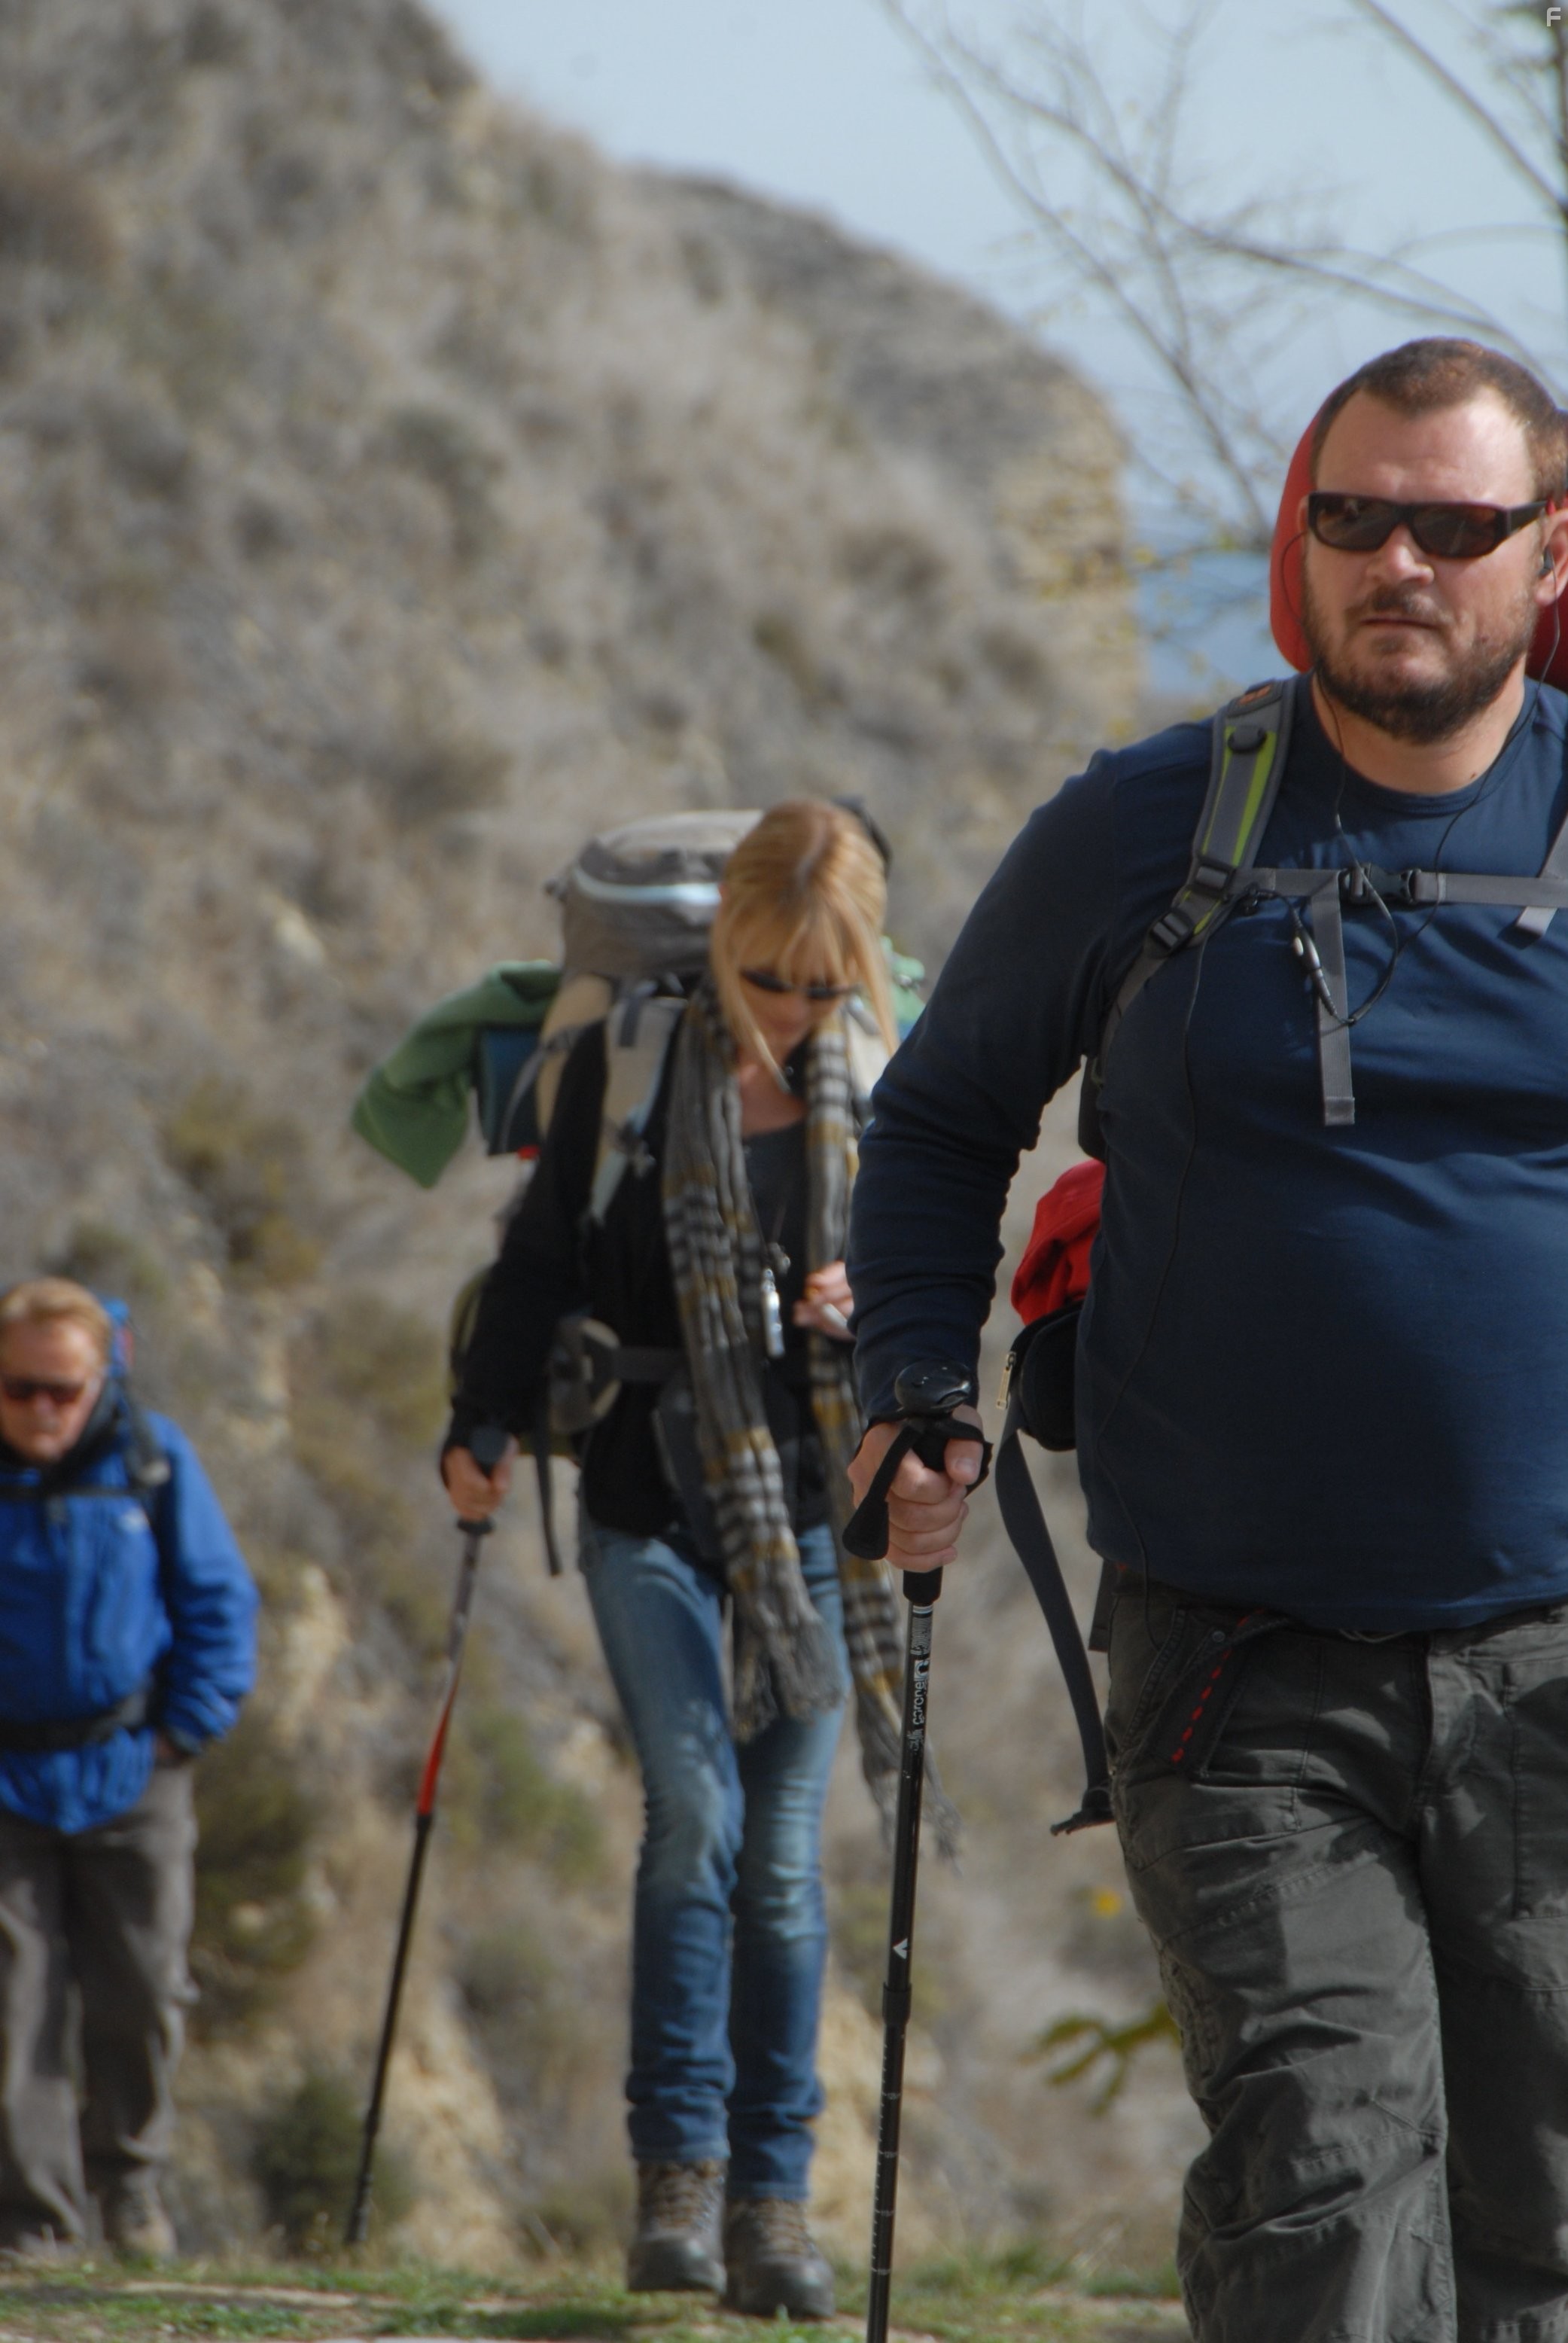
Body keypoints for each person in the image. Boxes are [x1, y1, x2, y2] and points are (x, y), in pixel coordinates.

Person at [845, 338, 1568, 2343]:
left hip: (1551, 1665)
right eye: (1354, 518)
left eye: (1453, 523)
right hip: (1235, 1672)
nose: (1398, 563)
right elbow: (934, 1122)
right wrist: (908, 1388)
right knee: (1322, 2193)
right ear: (1299, 538)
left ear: (1547, 550)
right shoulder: (1154, 828)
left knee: (1540, 2236)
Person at [443, 799, 906, 2322]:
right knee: (693, 1813)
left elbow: (935, 1310)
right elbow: (539, 1258)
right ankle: (678, 2188)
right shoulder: (630, 1068)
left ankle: (776, 2206)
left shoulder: (890, 1103)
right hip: (649, 1486)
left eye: (824, 985)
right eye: (769, 977)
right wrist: (483, 1415)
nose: (792, 1012)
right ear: (723, 948)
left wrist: (876, 1308)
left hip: (817, 1518)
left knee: (779, 1860)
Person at [0, 1278, 256, 2262]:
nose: (42, 1412)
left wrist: (184, 1732)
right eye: (20, 1389)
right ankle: (31, 2224)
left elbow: (220, 1605)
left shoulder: (153, 1462)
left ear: (103, 1379)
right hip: (10, 1788)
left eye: (63, 1390)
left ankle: (132, 2191)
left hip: (133, 1773)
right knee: (13, 2006)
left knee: (143, 1994)